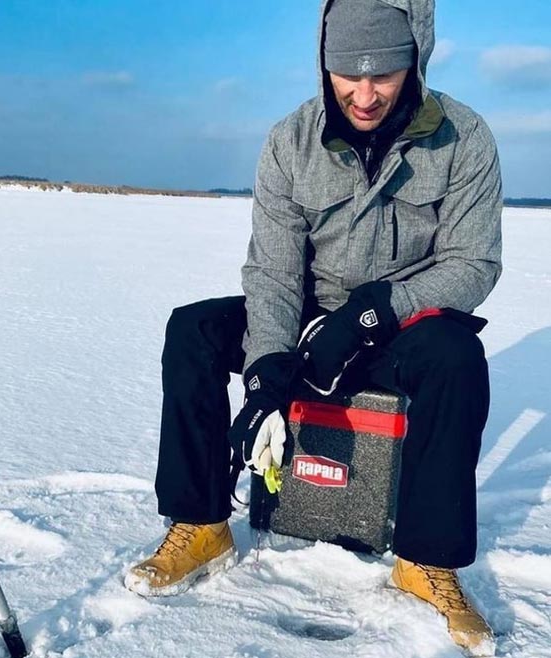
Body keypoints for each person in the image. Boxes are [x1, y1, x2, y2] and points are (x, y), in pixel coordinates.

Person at [125, 0, 502, 654]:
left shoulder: (463, 138)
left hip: (398, 329)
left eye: (382, 74)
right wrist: (268, 370)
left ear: (413, 61)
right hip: (303, 322)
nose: (363, 93)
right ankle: (201, 524)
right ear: (324, 65)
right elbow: (271, 272)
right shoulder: (288, 141)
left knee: (456, 357)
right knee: (193, 331)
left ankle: (427, 562)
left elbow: (473, 265)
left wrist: (373, 313)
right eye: (346, 75)